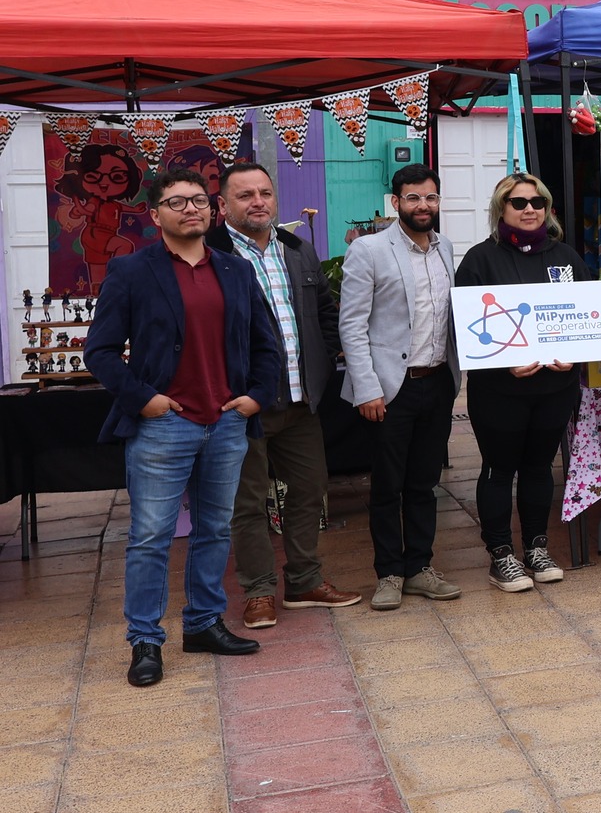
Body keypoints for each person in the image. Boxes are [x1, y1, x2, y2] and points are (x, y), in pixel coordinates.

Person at [85, 168, 281, 687]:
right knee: (150, 537)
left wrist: (256, 397)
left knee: (216, 529)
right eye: (176, 202)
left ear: (212, 209)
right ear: (155, 215)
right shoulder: (131, 272)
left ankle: (202, 624)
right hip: (163, 426)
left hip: (226, 423)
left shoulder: (235, 271)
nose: (190, 209)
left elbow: (267, 345)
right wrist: (144, 399)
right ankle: (145, 640)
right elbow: (100, 352)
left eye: (198, 201)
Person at [209, 162, 357, 628]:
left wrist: (321, 356)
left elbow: (325, 313)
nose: (258, 202)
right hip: (243, 407)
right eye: (245, 195)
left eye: (265, 193)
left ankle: (304, 581)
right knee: (247, 504)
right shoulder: (208, 256)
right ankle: (258, 592)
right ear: (223, 205)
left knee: (310, 493)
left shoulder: (297, 250)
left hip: (300, 402)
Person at [455, 174, 590, 593]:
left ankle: (535, 546)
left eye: (537, 201)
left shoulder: (566, 258)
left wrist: (576, 354)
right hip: (500, 391)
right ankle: (501, 554)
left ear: (548, 208)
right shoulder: (480, 260)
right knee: (499, 468)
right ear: (502, 210)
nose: (529, 209)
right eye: (518, 203)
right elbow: (467, 328)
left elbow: (585, 315)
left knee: (538, 468)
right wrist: (505, 364)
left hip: (554, 388)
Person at [340, 163, 463, 612]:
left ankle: (419, 569)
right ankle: (389, 573)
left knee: (424, 483)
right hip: (390, 389)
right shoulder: (369, 250)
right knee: (387, 486)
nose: (422, 205)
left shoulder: (446, 247)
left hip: (437, 381)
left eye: (430, 197)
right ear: (397, 203)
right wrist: (367, 388)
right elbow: (351, 325)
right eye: (413, 198)